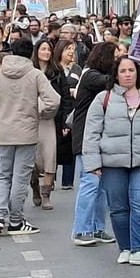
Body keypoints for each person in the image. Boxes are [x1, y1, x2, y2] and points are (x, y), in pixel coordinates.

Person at [83, 57, 140, 266]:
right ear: (116, 74)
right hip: (112, 163)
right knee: (118, 207)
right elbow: (91, 132)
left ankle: (139, 249)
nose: (127, 74)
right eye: (123, 70)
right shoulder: (103, 98)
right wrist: (93, 163)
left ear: (138, 72)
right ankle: (125, 248)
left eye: (131, 70)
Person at [0, 39, 60, 235]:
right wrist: (39, 113)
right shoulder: (35, 74)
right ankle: (16, 220)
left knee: (3, 176)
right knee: (20, 177)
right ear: (31, 54)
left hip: (4, 131)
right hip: (26, 131)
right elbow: (54, 100)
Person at [71, 41, 118, 246]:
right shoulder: (90, 76)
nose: (117, 62)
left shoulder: (92, 74)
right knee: (90, 183)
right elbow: (110, 82)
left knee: (101, 187)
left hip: (100, 135)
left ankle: (98, 228)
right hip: (86, 137)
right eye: (115, 57)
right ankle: (80, 230)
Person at [31, 39, 60, 209]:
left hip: (49, 119)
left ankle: (46, 194)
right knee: (33, 160)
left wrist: (62, 121)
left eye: (49, 49)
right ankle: (34, 184)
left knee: (50, 157)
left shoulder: (56, 72)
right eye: (43, 49)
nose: (46, 53)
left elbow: (61, 95)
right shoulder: (30, 72)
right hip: (32, 119)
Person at [52, 39, 81, 190]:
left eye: (73, 49)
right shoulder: (54, 69)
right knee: (54, 144)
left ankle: (67, 181)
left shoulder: (77, 69)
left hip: (73, 108)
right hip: (56, 108)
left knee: (70, 143)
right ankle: (51, 178)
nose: (71, 52)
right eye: (68, 48)